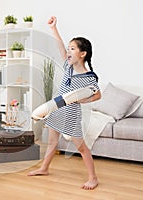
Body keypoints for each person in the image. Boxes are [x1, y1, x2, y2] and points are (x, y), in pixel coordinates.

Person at [28, 16, 101, 190]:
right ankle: (44, 168)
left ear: (82, 54)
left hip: (71, 115)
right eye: (68, 48)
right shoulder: (68, 67)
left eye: (73, 49)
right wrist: (54, 29)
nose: (68, 52)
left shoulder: (89, 77)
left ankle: (93, 178)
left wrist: (83, 100)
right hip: (57, 109)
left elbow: (98, 95)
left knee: (81, 148)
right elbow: (60, 48)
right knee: (52, 142)